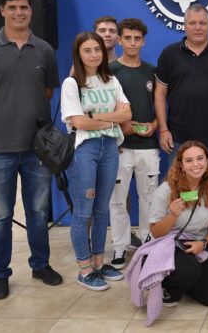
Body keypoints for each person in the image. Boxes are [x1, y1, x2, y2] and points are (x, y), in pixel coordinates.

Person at [0, 0, 63, 300]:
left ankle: (40, 264)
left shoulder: (45, 50)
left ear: (31, 11)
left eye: (24, 7)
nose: (19, 13)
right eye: (12, 7)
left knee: (37, 211)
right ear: (2, 11)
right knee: (0, 214)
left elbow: (47, 93)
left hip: (37, 148)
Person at [61, 31, 131, 291]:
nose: (93, 54)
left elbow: (129, 112)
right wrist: (112, 118)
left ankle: (100, 263)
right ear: (78, 54)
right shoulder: (72, 84)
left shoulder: (111, 80)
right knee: (83, 211)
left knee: (102, 208)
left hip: (110, 146)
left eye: (97, 49)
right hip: (85, 150)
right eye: (87, 50)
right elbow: (78, 122)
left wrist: (99, 117)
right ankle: (84, 268)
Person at [154, 4, 208, 175]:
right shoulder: (169, 54)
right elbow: (160, 93)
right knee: (179, 190)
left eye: (202, 23)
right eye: (192, 23)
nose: (198, 28)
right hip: (177, 139)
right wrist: (163, 129)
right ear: (184, 25)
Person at [108, 18, 160, 269]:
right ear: (119, 40)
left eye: (136, 38)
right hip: (119, 145)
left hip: (148, 145)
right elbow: (103, 107)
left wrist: (156, 123)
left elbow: (160, 104)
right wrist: (120, 125)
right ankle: (119, 247)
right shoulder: (110, 70)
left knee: (149, 197)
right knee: (117, 200)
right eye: (127, 38)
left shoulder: (151, 71)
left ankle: (148, 244)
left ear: (143, 41)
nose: (132, 42)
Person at [148, 141, 208, 307]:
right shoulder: (166, 190)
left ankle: (186, 279)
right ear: (181, 165)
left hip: (200, 243)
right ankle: (168, 286)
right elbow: (155, 233)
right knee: (190, 271)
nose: (196, 164)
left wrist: (203, 244)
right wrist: (172, 215)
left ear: (207, 161)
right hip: (171, 244)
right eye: (189, 160)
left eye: (200, 158)